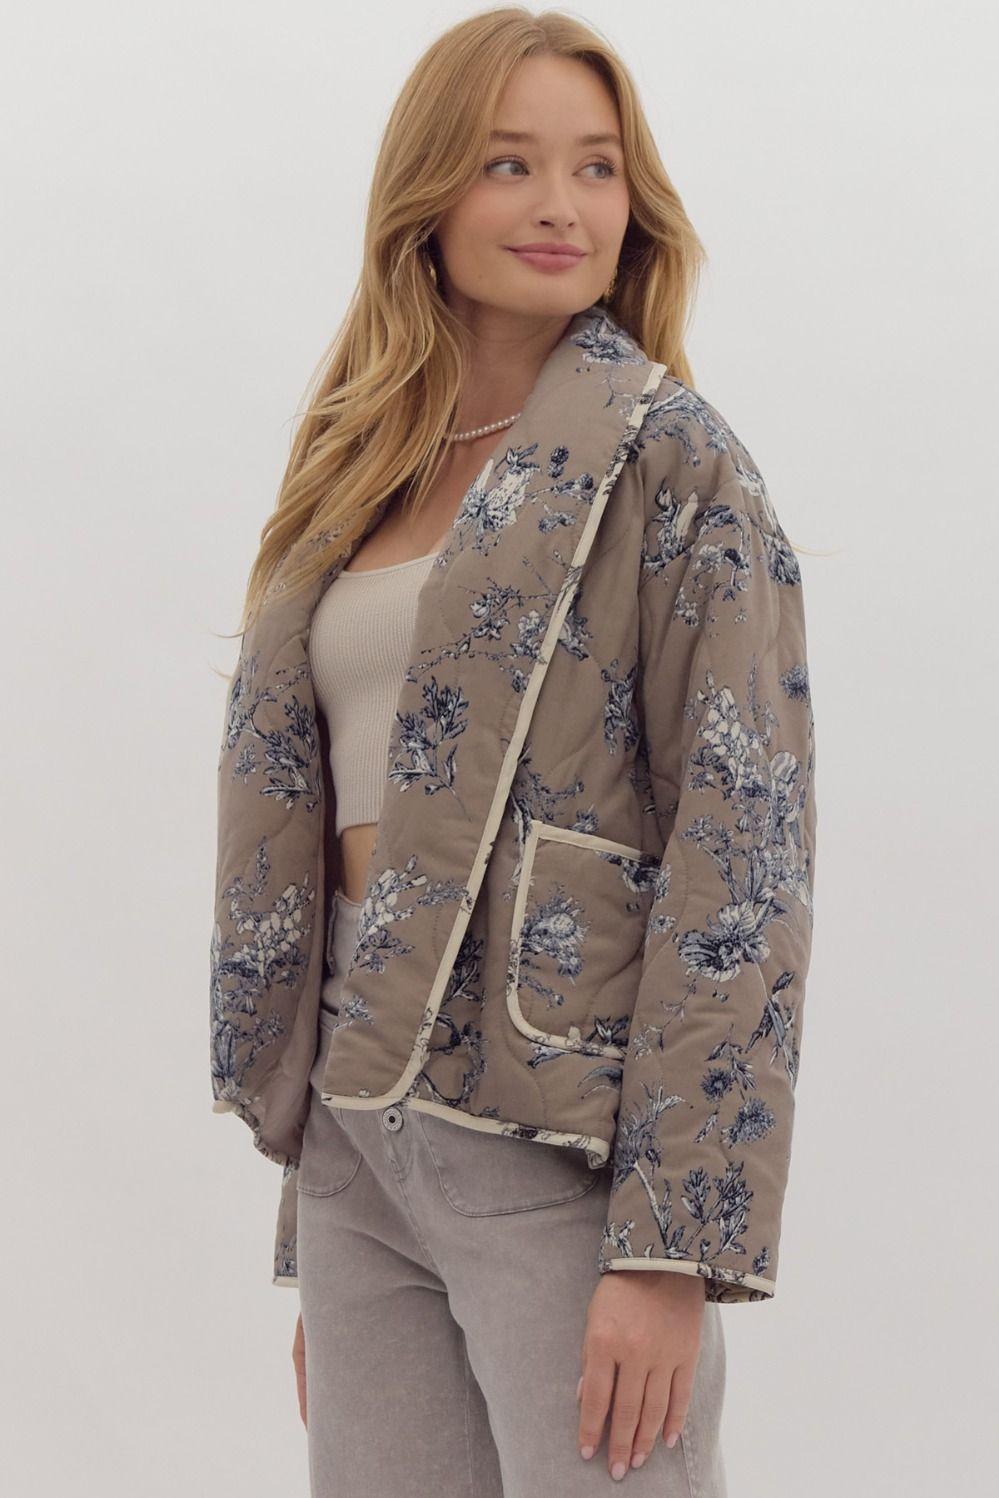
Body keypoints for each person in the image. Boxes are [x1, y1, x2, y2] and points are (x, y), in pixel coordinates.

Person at [210, 9, 817, 1495]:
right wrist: (321, 1217)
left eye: (596, 167)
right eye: (509, 163)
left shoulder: (678, 466)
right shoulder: (359, 464)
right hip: (361, 1142)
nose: (561, 205)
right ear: (427, 197)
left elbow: (741, 862)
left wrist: (670, 1250)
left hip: (563, 1144)